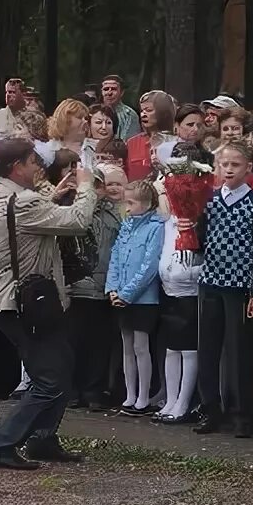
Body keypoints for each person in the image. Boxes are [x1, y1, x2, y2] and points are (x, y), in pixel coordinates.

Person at [0, 138, 96, 469]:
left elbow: (24, 217)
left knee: (61, 367)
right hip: (28, 303)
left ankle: (43, 439)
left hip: (17, 301)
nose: (38, 167)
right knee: (50, 380)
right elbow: (77, 221)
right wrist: (86, 187)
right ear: (17, 167)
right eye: (33, 161)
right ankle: (0, 445)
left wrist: (51, 197)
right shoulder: (25, 202)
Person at [193, 141, 253, 437]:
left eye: (235, 165)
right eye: (224, 164)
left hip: (238, 284)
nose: (228, 170)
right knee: (208, 348)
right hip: (210, 279)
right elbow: (200, 239)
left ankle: (241, 413)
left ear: (248, 168)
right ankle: (210, 409)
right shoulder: (208, 200)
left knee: (238, 352)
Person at [106, 180, 165, 415]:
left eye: (131, 203)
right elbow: (116, 257)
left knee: (142, 347)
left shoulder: (156, 226)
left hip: (144, 298)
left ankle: (144, 395)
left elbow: (149, 266)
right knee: (126, 346)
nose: (127, 207)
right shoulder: (127, 225)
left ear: (147, 203)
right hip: (121, 296)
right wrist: (113, 288)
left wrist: (128, 293)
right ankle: (130, 394)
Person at [68, 171, 122, 411]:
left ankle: (93, 390)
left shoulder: (115, 214)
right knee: (74, 342)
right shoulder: (73, 210)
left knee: (99, 344)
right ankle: (72, 390)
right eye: (95, 185)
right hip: (76, 288)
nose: (100, 190)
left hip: (103, 288)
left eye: (102, 185)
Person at [153, 197, 201, 424]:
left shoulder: (198, 222)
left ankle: (183, 402)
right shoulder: (169, 222)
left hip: (189, 294)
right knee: (171, 349)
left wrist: (188, 274)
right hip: (168, 291)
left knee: (189, 350)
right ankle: (171, 399)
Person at [126, 90, 176, 180]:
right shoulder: (132, 143)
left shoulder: (177, 142)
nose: (143, 114)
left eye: (149, 110)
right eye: (142, 110)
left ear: (163, 113)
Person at [101, 74, 141, 141]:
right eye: (106, 89)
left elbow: (131, 141)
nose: (109, 93)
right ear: (102, 92)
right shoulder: (94, 112)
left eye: (113, 89)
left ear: (122, 92)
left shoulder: (129, 114)